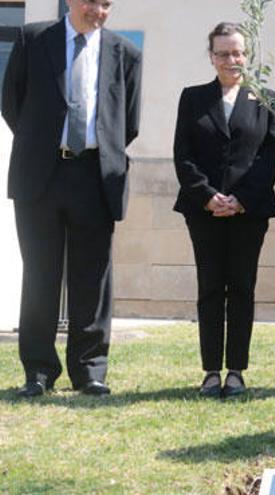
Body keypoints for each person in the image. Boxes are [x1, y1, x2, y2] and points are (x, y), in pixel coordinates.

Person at [2, 0, 141, 397]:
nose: (98, 10)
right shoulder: (33, 39)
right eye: (91, 1)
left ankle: (89, 370)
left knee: (92, 279)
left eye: (106, 3)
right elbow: (12, 101)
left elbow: (128, 121)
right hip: (40, 175)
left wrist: (94, 150)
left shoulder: (125, 53)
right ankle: (39, 372)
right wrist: (42, 141)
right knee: (40, 274)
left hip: (96, 176)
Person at [173, 22, 275, 398]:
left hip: (249, 212)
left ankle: (236, 370)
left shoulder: (267, 99)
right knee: (209, 288)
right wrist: (207, 196)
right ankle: (210, 372)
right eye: (223, 53)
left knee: (241, 288)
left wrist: (241, 200)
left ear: (247, 55)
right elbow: (182, 155)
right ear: (211, 57)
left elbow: (269, 159)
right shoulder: (192, 98)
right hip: (202, 210)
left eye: (238, 52)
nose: (231, 60)